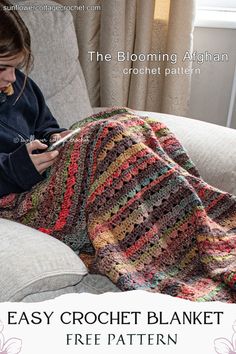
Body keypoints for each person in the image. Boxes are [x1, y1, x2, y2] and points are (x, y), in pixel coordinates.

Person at [0, 0, 236, 303]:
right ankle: (185, 233)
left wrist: (55, 137)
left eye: (16, 68)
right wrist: (18, 167)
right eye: (3, 68)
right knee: (106, 135)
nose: (11, 78)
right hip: (19, 199)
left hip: (48, 174)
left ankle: (197, 211)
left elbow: (46, 126)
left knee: (124, 119)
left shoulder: (21, 86)